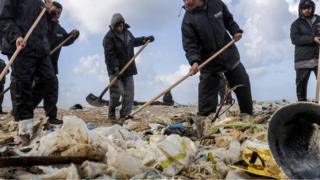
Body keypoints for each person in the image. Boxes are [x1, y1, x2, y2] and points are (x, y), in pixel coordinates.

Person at [182, 0, 253, 118]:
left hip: (229, 54)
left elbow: (229, 20)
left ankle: (247, 114)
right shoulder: (188, 20)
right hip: (208, 62)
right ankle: (206, 121)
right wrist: (194, 61)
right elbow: (190, 45)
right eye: (184, 0)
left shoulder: (216, 3)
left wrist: (235, 31)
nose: (187, 2)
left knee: (242, 83)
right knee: (207, 100)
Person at [0, 0, 56, 142]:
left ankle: (22, 111)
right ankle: (24, 123)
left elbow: (42, 23)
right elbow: (3, 19)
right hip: (20, 43)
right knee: (22, 83)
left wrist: (49, 13)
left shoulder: (39, 1)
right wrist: (15, 36)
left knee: (49, 80)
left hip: (39, 46)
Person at [32, 1, 80, 124]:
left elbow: (66, 40)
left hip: (52, 65)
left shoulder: (59, 29)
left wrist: (73, 35)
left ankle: (51, 116)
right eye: (55, 11)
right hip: (38, 62)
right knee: (39, 88)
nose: (57, 14)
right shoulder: (42, 22)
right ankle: (25, 111)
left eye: (59, 12)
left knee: (52, 87)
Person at [103, 13, 154, 124]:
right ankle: (111, 112)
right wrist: (115, 67)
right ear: (113, 26)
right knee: (116, 93)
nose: (120, 28)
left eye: (121, 25)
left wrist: (145, 39)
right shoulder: (108, 38)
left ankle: (124, 115)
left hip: (128, 69)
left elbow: (134, 42)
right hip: (115, 71)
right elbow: (109, 55)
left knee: (129, 93)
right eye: (117, 26)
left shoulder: (127, 33)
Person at [290, 0, 320, 101]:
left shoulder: (319, 19)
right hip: (302, 60)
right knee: (301, 88)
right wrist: (312, 39)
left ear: (312, 8)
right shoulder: (296, 24)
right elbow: (294, 39)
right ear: (300, 9)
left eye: (309, 8)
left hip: (318, 59)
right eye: (304, 8)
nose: (307, 10)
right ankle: (302, 110)